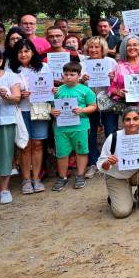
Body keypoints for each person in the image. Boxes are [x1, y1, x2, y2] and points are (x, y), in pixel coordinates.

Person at [49, 62, 98, 191]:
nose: (69, 77)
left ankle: (80, 175)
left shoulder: (85, 90)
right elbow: (51, 106)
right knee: (62, 153)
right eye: (66, 74)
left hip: (80, 126)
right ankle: (62, 177)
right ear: (62, 75)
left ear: (79, 75)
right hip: (61, 128)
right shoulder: (57, 91)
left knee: (81, 151)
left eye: (72, 74)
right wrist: (52, 111)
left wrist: (82, 110)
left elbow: (93, 106)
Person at [9, 39, 50, 194]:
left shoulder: (44, 67)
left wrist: (50, 91)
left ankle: (37, 178)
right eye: (20, 51)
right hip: (21, 109)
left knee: (38, 143)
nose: (23, 54)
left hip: (40, 107)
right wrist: (19, 95)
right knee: (25, 145)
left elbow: (49, 87)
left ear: (33, 52)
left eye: (26, 51)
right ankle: (26, 180)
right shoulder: (12, 70)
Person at [81, 36, 119, 178]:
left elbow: (119, 81)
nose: (94, 49)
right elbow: (76, 81)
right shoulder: (83, 63)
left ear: (103, 48)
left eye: (97, 47)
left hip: (109, 101)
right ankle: (93, 162)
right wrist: (82, 79)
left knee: (111, 131)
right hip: (89, 102)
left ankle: (111, 162)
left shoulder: (111, 61)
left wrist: (112, 77)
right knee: (91, 133)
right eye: (91, 47)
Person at [0, 50, 22, 204]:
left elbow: (17, 97)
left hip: (5, 120)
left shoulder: (10, 76)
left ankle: (4, 190)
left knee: (5, 154)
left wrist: (6, 96)